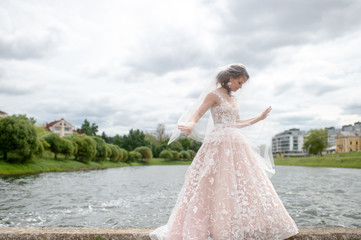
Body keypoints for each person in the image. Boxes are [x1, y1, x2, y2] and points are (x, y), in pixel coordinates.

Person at [150, 64, 299, 240]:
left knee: (241, 183)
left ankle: (241, 226)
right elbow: (198, 113)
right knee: (211, 184)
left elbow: (236, 122)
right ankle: (210, 227)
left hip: (236, 143)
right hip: (218, 143)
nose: (240, 86)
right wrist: (191, 124)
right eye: (239, 82)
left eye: (243, 83)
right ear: (229, 78)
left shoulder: (233, 99)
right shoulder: (213, 95)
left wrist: (259, 118)